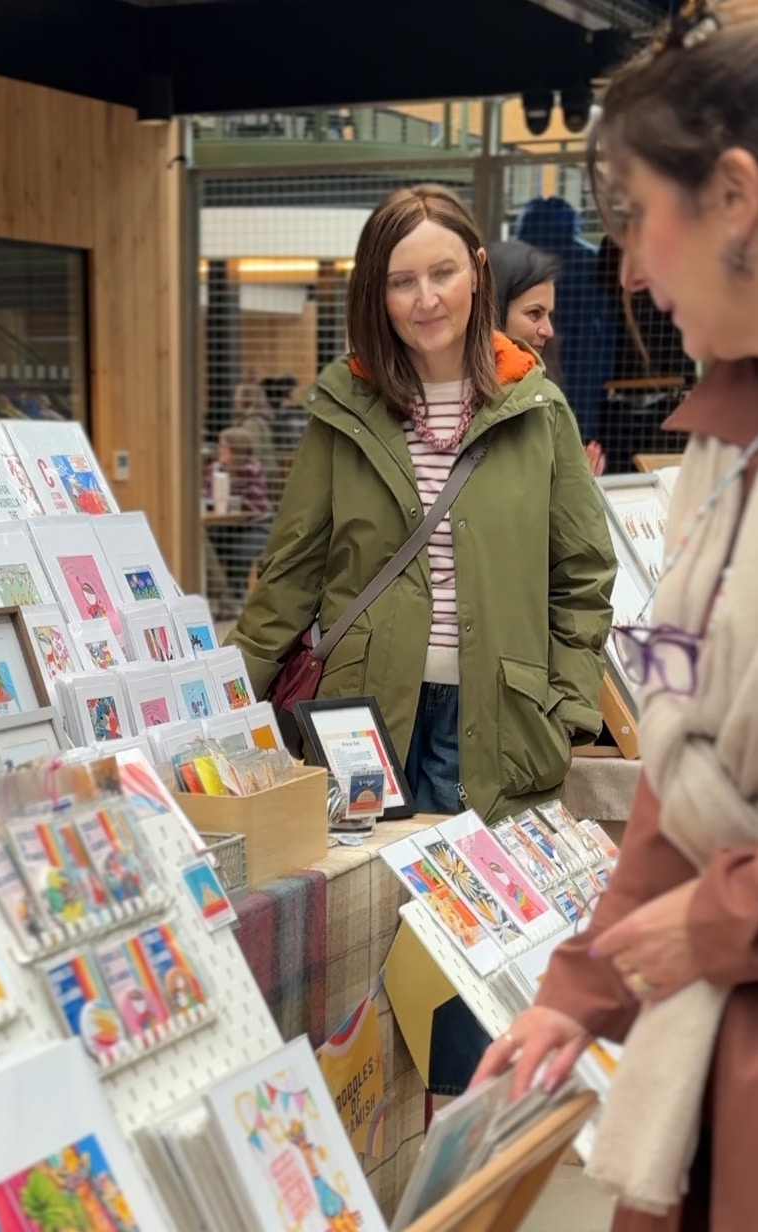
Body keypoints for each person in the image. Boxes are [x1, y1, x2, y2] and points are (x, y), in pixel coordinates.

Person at [472, 4, 758, 1227]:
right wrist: (574, 991)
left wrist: (732, 912)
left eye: (638, 218)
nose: (628, 270)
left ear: (735, 195)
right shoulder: (719, 449)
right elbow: (682, 779)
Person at [229, 184, 615, 824]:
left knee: (479, 913)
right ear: (375, 294)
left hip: (499, 718)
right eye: (402, 280)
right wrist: (230, 691)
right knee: (364, 911)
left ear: (478, 270)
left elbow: (582, 572)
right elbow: (292, 568)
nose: (427, 298)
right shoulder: (344, 409)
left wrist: (569, 706)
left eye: (443, 272)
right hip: (362, 719)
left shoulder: (537, 410)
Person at [488, 239, 607, 475]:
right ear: (495, 309)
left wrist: (576, 482)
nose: (548, 330)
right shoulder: (460, 392)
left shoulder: (543, 385)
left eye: (549, 315)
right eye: (534, 313)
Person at [204, 426, 272, 612]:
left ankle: (235, 597)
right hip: (226, 524)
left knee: (240, 551)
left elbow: (253, 505)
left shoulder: (251, 469)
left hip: (256, 523)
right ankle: (219, 598)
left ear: (236, 450)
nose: (220, 450)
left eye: (224, 446)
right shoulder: (215, 469)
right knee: (211, 545)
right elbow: (207, 498)